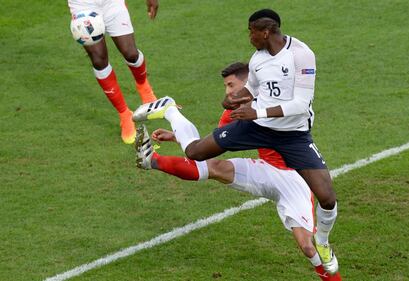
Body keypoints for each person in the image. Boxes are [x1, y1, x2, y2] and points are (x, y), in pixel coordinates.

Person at [133, 9, 338, 274]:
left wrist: (257, 112)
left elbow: (300, 104)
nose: (248, 36)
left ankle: (323, 243)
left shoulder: (301, 54)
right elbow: (250, 90)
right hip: (260, 140)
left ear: (266, 32)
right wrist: (234, 99)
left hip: (292, 142)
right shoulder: (257, 61)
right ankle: (169, 112)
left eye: (251, 31)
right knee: (199, 154)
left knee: (325, 204)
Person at [68, 0, 159, 144]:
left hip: (112, 2)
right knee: (98, 60)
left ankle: (144, 88)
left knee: (131, 53)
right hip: (83, 5)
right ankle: (124, 114)